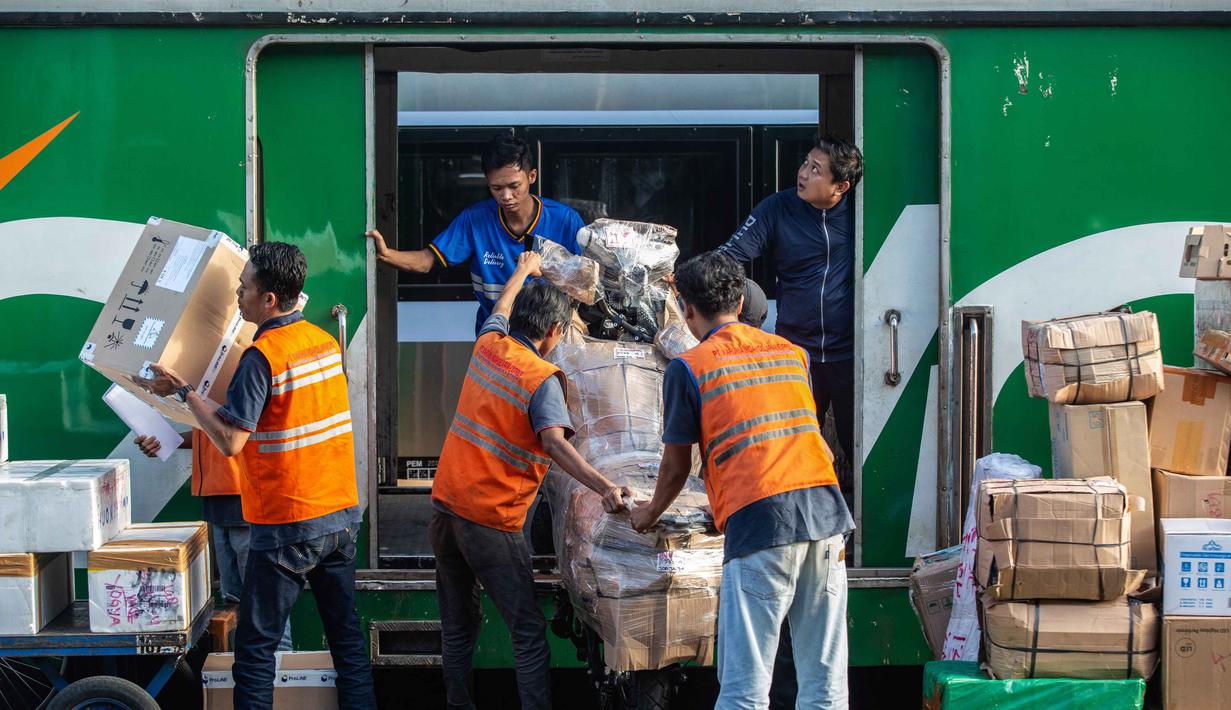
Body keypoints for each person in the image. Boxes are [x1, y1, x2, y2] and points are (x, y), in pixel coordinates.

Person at [138, 242, 375, 709]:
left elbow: (230, 441)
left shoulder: (261, 357)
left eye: (244, 287)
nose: (238, 295)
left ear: (269, 300)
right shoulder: (323, 344)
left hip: (288, 522)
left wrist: (183, 390)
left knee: (256, 648)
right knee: (346, 641)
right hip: (339, 516)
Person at [630, 250, 855, 709]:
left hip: (761, 526)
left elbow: (675, 467)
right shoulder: (793, 355)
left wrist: (647, 514)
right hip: (828, 518)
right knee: (825, 683)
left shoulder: (690, 367)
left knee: (745, 689)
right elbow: (804, 442)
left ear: (687, 310)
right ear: (739, 299)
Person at [431, 250, 632, 710]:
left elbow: (499, 309)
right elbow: (556, 445)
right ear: (556, 333)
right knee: (526, 631)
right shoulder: (542, 378)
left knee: (459, 627)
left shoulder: (489, 345)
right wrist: (605, 487)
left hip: (445, 509)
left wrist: (522, 271)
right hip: (490, 520)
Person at [719, 134, 863, 473]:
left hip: (852, 355)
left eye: (815, 170)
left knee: (859, 449)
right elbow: (729, 257)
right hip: (796, 351)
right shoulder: (777, 208)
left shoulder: (863, 213)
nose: (802, 173)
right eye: (805, 163)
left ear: (840, 186)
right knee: (793, 452)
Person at [365, 135, 585, 334]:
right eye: (497, 188)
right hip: (497, 338)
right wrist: (387, 254)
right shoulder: (475, 219)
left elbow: (586, 283)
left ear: (532, 176)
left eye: (514, 186)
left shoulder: (565, 220)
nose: (506, 196)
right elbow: (426, 261)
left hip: (549, 338)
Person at [133, 430, 292, 650]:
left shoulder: (228, 394)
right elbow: (211, 433)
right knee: (236, 605)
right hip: (221, 504)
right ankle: (250, 677)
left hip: (250, 502)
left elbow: (236, 430)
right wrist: (167, 441)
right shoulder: (211, 398)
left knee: (265, 606)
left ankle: (282, 680)